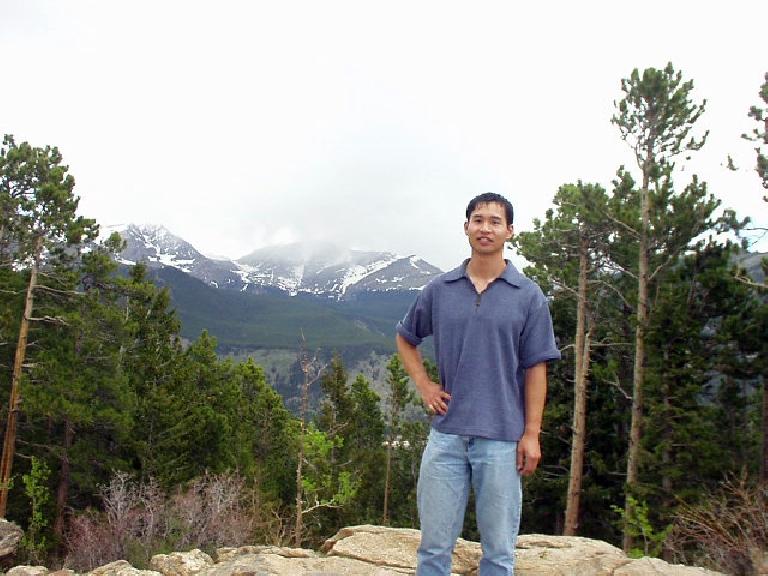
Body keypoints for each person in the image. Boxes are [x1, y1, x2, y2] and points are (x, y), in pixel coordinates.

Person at [395, 193, 560, 575]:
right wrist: (424, 384)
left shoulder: (528, 296)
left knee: (499, 554)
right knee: (434, 549)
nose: (486, 228)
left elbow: (537, 368)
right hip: (446, 435)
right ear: (466, 226)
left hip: (502, 438)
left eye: (495, 221)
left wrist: (532, 433)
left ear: (510, 231)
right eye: (478, 220)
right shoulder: (440, 289)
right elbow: (406, 337)